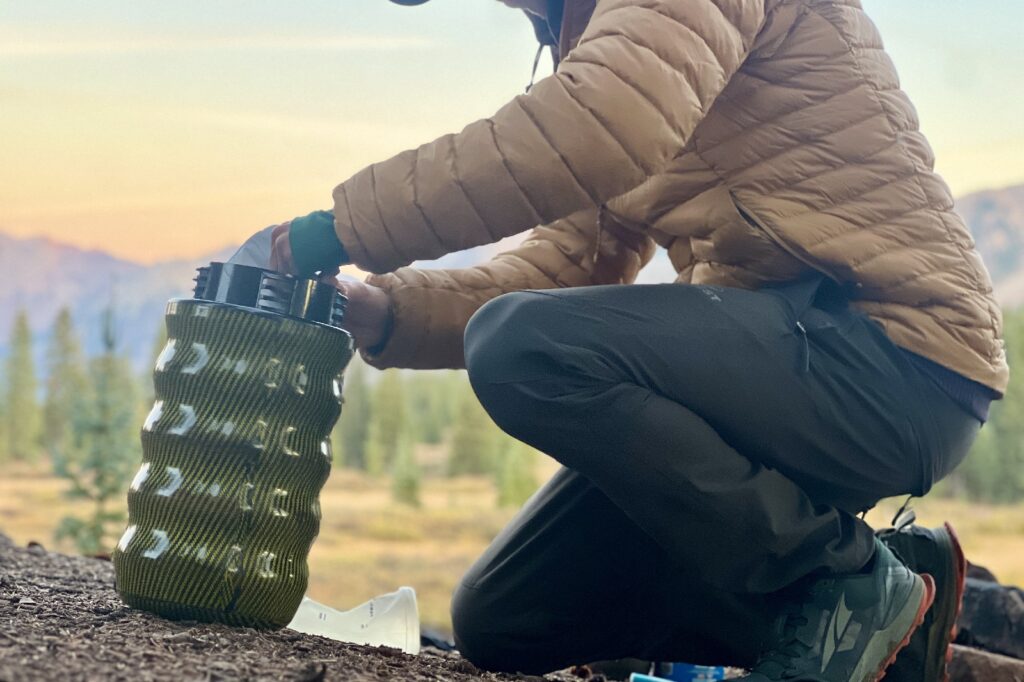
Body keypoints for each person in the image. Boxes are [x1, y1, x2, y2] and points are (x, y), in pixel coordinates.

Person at [268, 1, 1007, 680]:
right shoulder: (604, 38)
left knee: (519, 347)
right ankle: (900, 607)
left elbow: (593, 130)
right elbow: (566, 266)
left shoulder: (637, 53)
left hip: (893, 354)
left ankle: (837, 577)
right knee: (510, 617)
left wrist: (330, 233)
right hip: (789, 361)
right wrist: (386, 309)